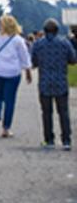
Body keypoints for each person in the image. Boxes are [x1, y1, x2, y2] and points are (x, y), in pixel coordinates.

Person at [31, 18, 76, 150]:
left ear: (44, 31)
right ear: (57, 30)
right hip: (61, 82)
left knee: (46, 113)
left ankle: (49, 140)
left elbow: (33, 62)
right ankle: (66, 140)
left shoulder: (38, 44)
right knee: (63, 112)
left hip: (44, 82)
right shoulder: (65, 43)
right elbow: (73, 60)